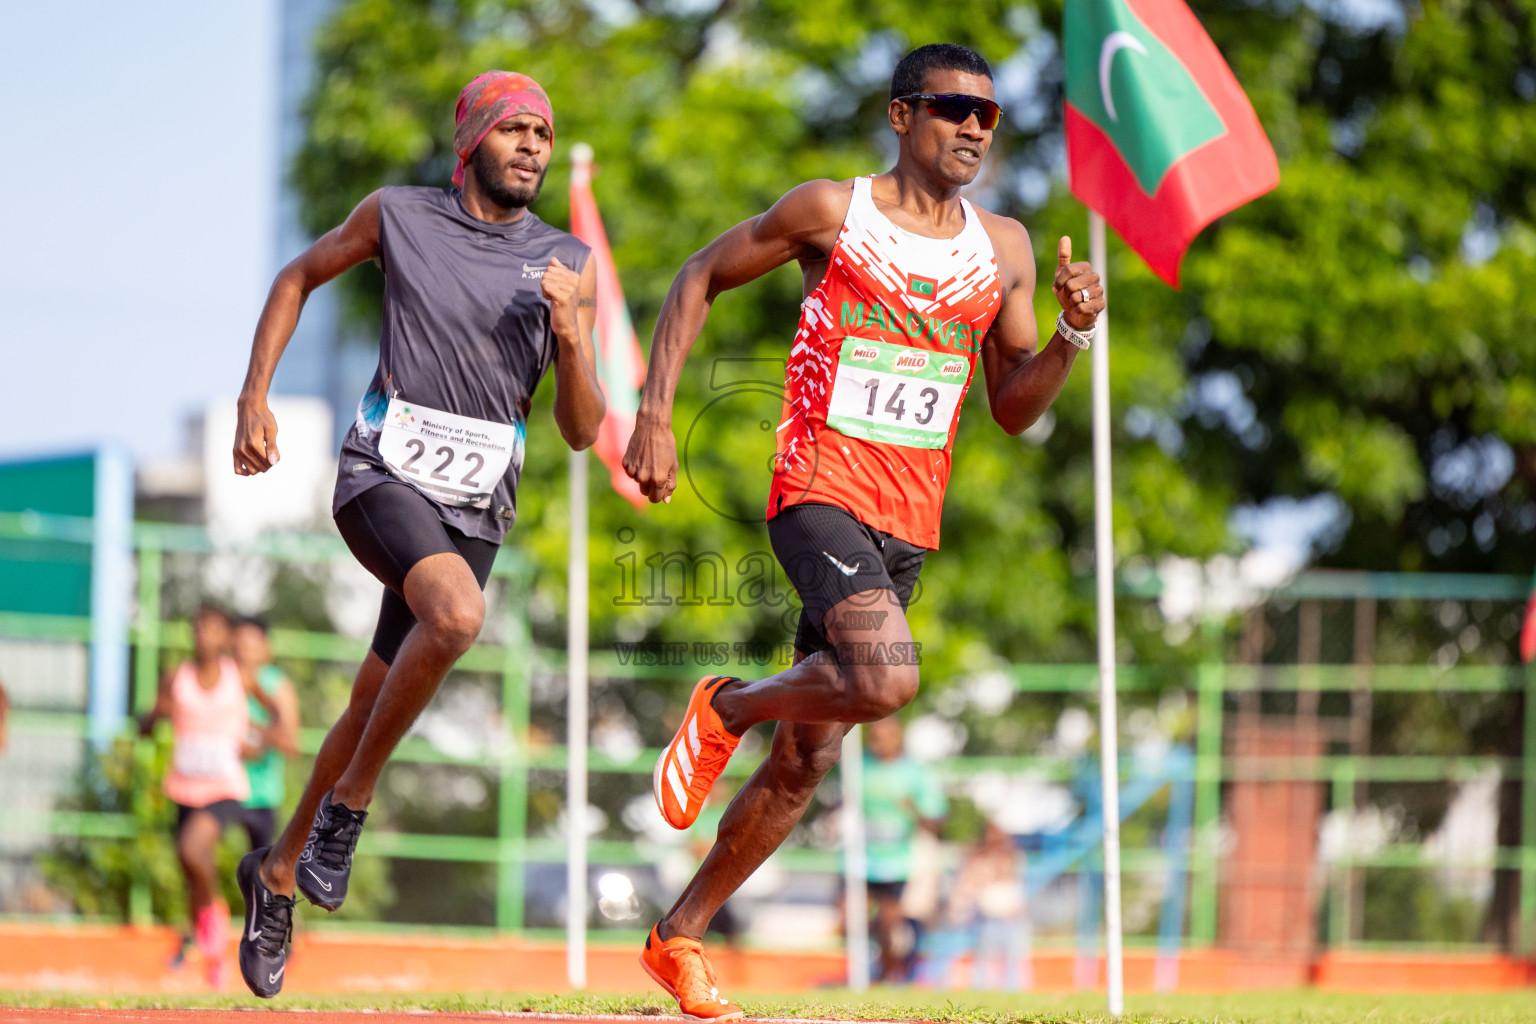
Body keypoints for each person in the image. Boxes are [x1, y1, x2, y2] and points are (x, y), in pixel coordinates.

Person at [622, 42, 1101, 1018]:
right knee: (887, 677)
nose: (972, 127)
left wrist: (1070, 336)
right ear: (900, 115)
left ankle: (676, 936)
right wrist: (656, 414)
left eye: (988, 115)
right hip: (817, 485)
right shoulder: (831, 214)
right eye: (951, 107)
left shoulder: (1004, 247)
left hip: (906, 522)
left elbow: (1014, 408)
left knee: (805, 767)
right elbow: (699, 275)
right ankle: (726, 707)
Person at [229, 70, 605, 998]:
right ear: (472, 139)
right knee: (459, 616)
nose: (533, 148)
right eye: (515, 130)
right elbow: (297, 275)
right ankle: (347, 813)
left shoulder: (565, 261)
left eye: (543, 136)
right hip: (383, 474)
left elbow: (584, 430)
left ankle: (276, 873)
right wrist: (254, 396)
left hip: (476, 501)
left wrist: (572, 335)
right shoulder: (397, 214)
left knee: (370, 698)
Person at [141, 605, 252, 988]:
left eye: (211, 628)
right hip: (184, 787)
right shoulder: (177, 678)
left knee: (192, 851)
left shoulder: (239, 677)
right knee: (191, 872)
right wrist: (156, 714)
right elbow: (146, 726)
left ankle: (214, 924)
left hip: (224, 788)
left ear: (225, 636)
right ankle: (211, 954)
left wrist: (261, 739)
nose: (202, 634)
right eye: (198, 628)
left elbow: (276, 718)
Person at [859, 716, 945, 983]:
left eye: (883, 736)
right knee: (849, 918)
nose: (878, 742)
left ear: (897, 736)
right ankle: (875, 965)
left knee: (889, 923)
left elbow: (935, 820)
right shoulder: (858, 766)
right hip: (860, 859)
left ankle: (886, 974)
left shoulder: (915, 773)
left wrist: (912, 809)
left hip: (896, 862)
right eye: (874, 735)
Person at [232, 617, 301, 851]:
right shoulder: (219, 678)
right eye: (239, 645)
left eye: (251, 646)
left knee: (261, 874)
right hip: (220, 791)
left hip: (262, 797)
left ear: (265, 648)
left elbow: (290, 743)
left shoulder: (278, 685)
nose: (244, 653)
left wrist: (256, 731)